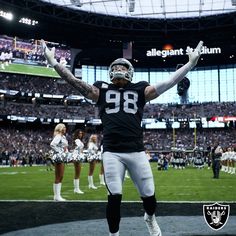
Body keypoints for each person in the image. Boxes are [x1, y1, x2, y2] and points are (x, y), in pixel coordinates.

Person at [41, 39, 203, 236]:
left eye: (122, 66)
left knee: (149, 197)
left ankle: (149, 217)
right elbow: (76, 83)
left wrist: (190, 65)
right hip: (112, 151)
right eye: (115, 66)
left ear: (130, 71)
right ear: (110, 72)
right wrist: (55, 64)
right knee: (114, 196)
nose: (118, 68)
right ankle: (114, 234)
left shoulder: (141, 89)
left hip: (136, 150)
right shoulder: (100, 89)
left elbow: (168, 82)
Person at [50, 123, 68, 201]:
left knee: (61, 176)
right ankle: (57, 196)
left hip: (62, 157)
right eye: (64, 127)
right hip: (59, 157)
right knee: (58, 176)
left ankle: (57, 196)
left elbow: (64, 146)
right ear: (60, 128)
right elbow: (52, 144)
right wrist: (59, 151)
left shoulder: (63, 136)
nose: (65, 128)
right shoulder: (58, 136)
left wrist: (66, 151)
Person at [72, 129, 85, 194]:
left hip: (78, 157)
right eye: (79, 133)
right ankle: (76, 189)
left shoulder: (79, 140)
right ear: (77, 134)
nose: (81, 134)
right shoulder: (77, 140)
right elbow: (78, 146)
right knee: (77, 173)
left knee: (77, 173)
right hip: (76, 157)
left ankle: (76, 189)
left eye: (81, 133)